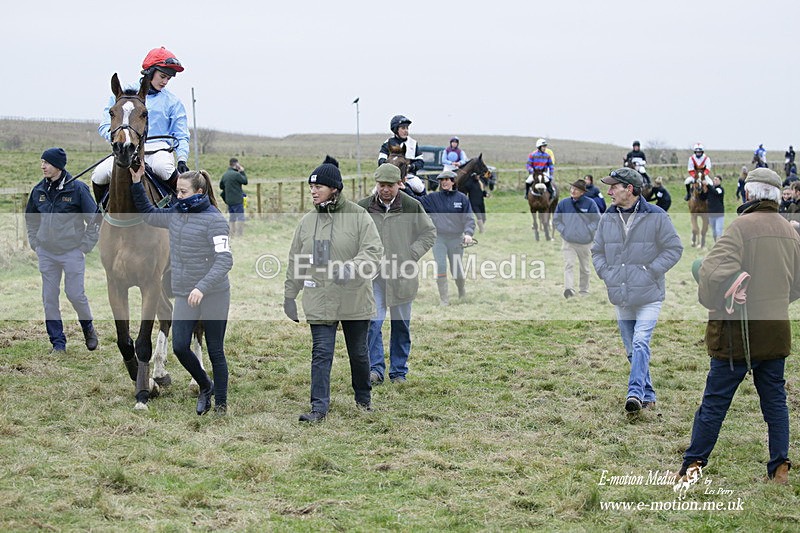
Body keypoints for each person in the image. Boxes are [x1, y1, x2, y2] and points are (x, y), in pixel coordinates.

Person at [679, 167, 800, 485]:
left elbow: (714, 274)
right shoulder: (791, 231)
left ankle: (692, 467)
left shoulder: (740, 228)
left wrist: (702, 276)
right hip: (775, 332)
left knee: (715, 402)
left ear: (749, 194)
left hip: (737, 335)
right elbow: (797, 285)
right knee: (775, 401)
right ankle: (779, 468)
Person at [284, 157, 383, 423]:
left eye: (319, 187)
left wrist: (352, 268)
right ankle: (318, 408)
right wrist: (289, 295)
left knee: (359, 353)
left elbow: (373, 252)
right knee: (321, 353)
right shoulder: (306, 222)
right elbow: (296, 259)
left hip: (354, 297)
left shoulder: (359, 216)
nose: (313, 191)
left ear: (334, 189)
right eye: (311, 187)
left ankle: (363, 400)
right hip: (320, 297)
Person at [129, 164, 232, 415]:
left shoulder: (215, 220)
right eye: (177, 191)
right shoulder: (175, 213)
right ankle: (206, 385)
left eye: (183, 192)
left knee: (215, 349)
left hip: (214, 293)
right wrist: (136, 182)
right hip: (186, 292)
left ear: (199, 191)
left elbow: (225, 260)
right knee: (180, 346)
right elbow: (149, 214)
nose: (178, 196)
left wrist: (202, 287)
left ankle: (220, 403)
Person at [592, 168, 683, 413]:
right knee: (632, 349)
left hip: (649, 294)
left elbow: (674, 248)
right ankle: (649, 394)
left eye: (614, 187)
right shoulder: (607, 217)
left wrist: (651, 270)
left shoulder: (657, 215)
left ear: (629, 189)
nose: (609, 192)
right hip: (621, 294)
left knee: (641, 342)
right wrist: (607, 274)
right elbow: (597, 251)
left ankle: (634, 393)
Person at [357, 164, 436, 385]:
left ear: (399, 185)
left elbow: (428, 232)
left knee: (401, 325)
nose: (385, 190)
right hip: (373, 277)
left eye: (390, 186)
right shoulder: (363, 208)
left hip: (403, 277)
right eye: (381, 185)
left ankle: (399, 371)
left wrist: (412, 253)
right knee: (373, 323)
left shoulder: (412, 206)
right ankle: (375, 370)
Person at [25, 148, 100, 355]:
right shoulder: (38, 190)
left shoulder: (77, 189)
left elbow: (94, 219)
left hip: (72, 252)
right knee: (49, 299)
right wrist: (35, 243)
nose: (43, 166)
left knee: (75, 294)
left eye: (46, 163)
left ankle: (88, 328)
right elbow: (31, 219)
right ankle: (58, 343)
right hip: (46, 253)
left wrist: (85, 246)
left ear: (58, 166)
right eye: (41, 162)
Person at [91, 46, 190, 203]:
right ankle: (101, 213)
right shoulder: (122, 95)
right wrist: (121, 139)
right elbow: (105, 125)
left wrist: (182, 159)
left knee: (164, 169)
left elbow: (181, 135)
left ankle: (182, 213)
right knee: (99, 174)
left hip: (158, 150)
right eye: (162, 76)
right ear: (150, 72)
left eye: (168, 79)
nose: (165, 82)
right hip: (127, 149)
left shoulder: (173, 102)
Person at [420, 170, 476, 306]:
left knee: (456, 269)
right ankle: (444, 299)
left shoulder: (462, 198)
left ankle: (461, 290)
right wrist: (404, 187)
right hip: (439, 238)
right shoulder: (433, 198)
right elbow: (416, 202)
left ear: (453, 181)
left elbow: (469, 218)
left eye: (447, 179)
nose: (444, 182)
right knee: (441, 265)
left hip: (456, 239)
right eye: (442, 180)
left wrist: (468, 233)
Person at [553, 179, 600, 298]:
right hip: (568, 241)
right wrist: (564, 230)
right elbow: (556, 220)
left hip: (585, 243)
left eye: (576, 190)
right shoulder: (563, 203)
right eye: (572, 188)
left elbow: (597, 220)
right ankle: (569, 289)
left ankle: (584, 290)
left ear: (582, 192)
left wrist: (588, 229)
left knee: (585, 268)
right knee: (568, 264)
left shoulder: (590, 204)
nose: (573, 191)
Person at [378, 115, 426, 199]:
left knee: (419, 187)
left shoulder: (413, 143)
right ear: (396, 129)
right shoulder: (388, 143)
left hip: (408, 176)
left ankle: (425, 208)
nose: (406, 131)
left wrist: (412, 167)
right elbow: (381, 160)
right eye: (403, 128)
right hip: (390, 176)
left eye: (407, 128)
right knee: (375, 191)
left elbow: (420, 161)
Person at [219, 158, 248, 237]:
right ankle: (240, 234)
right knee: (240, 217)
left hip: (229, 200)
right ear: (236, 165)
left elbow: (221, 186)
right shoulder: (236, 174)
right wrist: (242, 171)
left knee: (232, 218)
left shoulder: (225, 175)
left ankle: (231, 233)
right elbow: (245, 181)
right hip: (237, 200)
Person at [458, 164, 490, 233]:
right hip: (473, 202)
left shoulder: (480, 182)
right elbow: (463, 188)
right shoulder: (469, 183)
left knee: (483, 218)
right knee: (479, 217)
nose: (478, 177)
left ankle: (479, 226)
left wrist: (486, 194)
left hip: (481, 201)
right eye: (477, 175)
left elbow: (481, 191)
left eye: (478, 175)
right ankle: (482, 230)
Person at [706, 175, 725, 242]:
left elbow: (716, 192)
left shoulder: (720, 189)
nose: (715, 181)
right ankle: (716, 243)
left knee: (718, 230)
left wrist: (708, 185)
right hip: (711, 214)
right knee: (714, 232)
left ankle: (719, 245)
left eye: (716, 179)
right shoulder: (710, 190)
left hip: (719, 214)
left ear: (720, 181)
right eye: (714, 179)